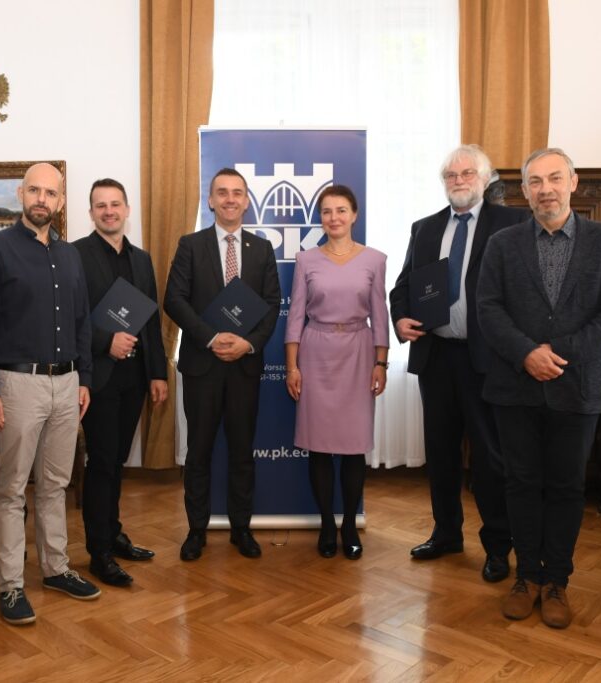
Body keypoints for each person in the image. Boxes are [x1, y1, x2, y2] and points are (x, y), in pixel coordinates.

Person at [478, 147, 601, 628]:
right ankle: (527, 577)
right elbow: (488, 308)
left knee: (566, 487)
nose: (545, 189)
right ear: (524, 191)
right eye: (535, 182)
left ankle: (557, 581)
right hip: (514, 387)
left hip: (577, 388)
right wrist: (527, 353)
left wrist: (557, 353)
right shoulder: (503, 244)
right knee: (521, 484)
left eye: (554, 179)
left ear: (573, 182)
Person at [0, 162, 99, 626]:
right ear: (21, 194)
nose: (42, 199)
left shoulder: (71, 256)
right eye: (35, 190)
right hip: (16, 384)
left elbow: (83, 321)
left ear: (61, 202)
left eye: (51, 193)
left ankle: (57, 568)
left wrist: (84, 378)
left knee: (57, 485)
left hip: (67, 384)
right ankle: (10, 585)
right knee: (10, 489)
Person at [389, 144, 529, 583]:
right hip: (437, 357)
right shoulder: (426, 228)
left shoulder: (514, 224)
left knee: (490, 459)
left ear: (485, 180)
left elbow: (524, 292)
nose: (458, 180)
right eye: (450, 175)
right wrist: (400, 318)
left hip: (488, 360)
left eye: (467, 173)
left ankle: (497, 545)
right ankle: (447, 532)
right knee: (442, 453)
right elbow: (403, 287)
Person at [164, 167, 281, 561]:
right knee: (198, 452)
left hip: (244, 367)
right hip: (202, 366)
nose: (230, 199)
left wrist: (247, 343)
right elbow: (174, 300)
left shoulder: (261, 250)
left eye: (237, 193)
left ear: (247, 201)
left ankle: (241, 529)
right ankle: (196, 530)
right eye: (222, 193)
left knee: (241, 451)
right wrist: (211, 338)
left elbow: (271, 305)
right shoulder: (190, 245)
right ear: (210, 200)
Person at [284, 184, 389, 560]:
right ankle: (327, 524)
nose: (334, 218)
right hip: (316, 354)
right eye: (327, 211)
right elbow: (296, 315)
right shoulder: (306, 260)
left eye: (341, 210)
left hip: (359, 355)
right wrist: (292, 366)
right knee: (319, 447)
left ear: (354, 214)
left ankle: (348, 525)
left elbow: (380, 315)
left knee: (353, 448)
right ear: (321, 218)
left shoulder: (375, 259)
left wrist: (381, 362)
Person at [74, 178, 168, 587]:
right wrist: (104, 341)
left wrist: (157, 373)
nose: (108, 211)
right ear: (91, 212)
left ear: (127, 209)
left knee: (117, 463)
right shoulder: (74, 255)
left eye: (115, 204)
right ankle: (98, 552)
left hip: (134, 377)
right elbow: (70, 321)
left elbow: (150, 321)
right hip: (97, 377)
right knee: (101, 464)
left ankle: (114, 534)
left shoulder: (142, 259)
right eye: (100, 205)